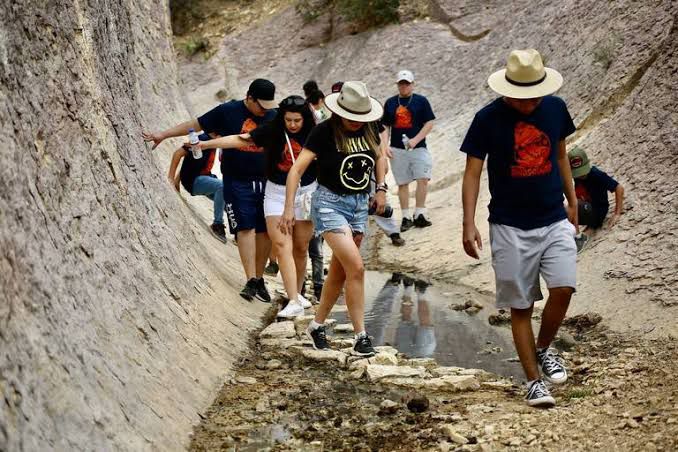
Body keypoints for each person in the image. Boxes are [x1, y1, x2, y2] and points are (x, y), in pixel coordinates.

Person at [460, 49, 578, 408]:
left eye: (534, 97)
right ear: (506, 90)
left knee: (564, 287)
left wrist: (571, 201)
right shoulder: (487, 119)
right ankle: (532, 382)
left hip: (553, 217)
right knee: (520, 304)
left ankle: (543, 348)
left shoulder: (556, 108)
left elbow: (559, 155)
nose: (529, 104)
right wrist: (468, 222)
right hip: (509, 225)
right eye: (521, 98)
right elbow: (472, 172)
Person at [143, 79, 278, 302]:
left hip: (267, 180)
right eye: (261, 105)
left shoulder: (273, 116)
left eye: (268, 106)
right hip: (236, 179)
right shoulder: (227, 111)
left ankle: (260, 278)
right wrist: (163, 134)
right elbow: (195, 124)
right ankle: (251, 279)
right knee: (245, 227)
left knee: (265, 232)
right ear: (249, 97)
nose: (264, 110)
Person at [280, 81, 387, 356]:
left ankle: (316, 325)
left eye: (359, 117)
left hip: (360, 205)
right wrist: (289, 208)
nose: (355, 122)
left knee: (341, 271)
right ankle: (360, 336)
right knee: (357, 267)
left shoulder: (371, 128)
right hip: (329, 203)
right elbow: (296, 170)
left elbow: (379, 156)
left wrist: (382, 188)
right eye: (351, 117)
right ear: (340, 112)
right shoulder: (323, 131)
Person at [197, 96, 317, 315]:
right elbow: (241, 140)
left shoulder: (315, 134)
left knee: (300, 247)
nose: (292, 125)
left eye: (297, 121)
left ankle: (298, 293)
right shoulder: (273, 130)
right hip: (276, 192)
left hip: (305, 193)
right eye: (288, 120)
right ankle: (293, 301)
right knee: (281, 245)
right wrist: (205, 144)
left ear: (305, 119)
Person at [382, 70, 436, 231]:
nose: (404, 86)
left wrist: (416, 140)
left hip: (418, 147)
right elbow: (385, 126)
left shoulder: (421, 101)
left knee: (423, 178)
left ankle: (420, 212)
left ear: (412, 84)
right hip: (397, 148)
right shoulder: (391, 103)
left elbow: (429, 123)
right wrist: (385, 146)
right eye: (401, 83)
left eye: (407, 83)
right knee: (402, 182)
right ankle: (406, 216)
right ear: (398, 85)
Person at [167, 132, 226, 242]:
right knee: (222, 186)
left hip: (205, 178)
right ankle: (217, 224)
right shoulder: (200, 140)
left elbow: (191, 163)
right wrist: (171, 178)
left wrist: (177, 180)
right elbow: (178, 154)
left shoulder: (212, 143)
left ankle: (239, 233)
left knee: (232, 198)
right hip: (194, 181)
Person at [569, 146, 624, 229]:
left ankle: (590, 227)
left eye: (582, 171)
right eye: (577, 173)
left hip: (598, 211)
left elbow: (619, 188)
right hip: (586, 206)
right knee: (564, 210)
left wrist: (617, 213)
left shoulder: (596, 175)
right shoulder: (577, 177)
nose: (580, 175)